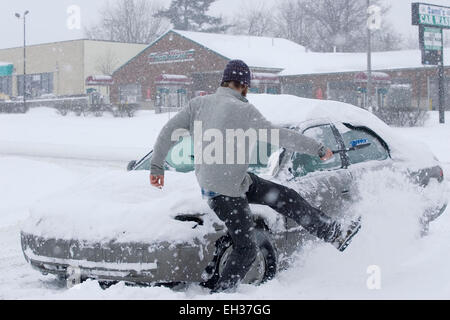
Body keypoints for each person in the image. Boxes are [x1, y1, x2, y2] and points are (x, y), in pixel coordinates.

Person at [150, 60, 361, 293]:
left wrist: (157, 167)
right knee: (247, 248)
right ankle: (222, 295)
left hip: (228, 182)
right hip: (227, 191)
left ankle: (333, 233)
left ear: (224, 81)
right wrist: (318, 149)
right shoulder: (244, 110)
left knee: (285, 197)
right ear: (244, 86)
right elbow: (280, 136)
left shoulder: (198, 105)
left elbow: (168, 132)